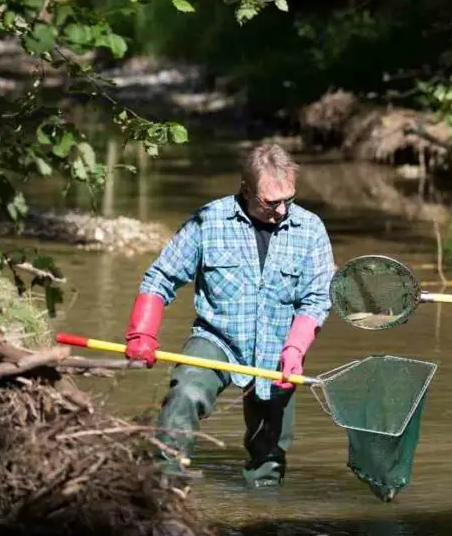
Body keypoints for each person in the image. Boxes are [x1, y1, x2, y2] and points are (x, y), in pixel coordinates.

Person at [123, 142, 335, 487]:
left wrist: (295, 349)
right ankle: (164, 492)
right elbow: (160, 277)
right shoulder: (208, 221)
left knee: (269, 454)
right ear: (246, 190)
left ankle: (262, 521)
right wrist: (142, 333)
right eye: (271, 202)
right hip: (216, 339)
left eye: (289, 200)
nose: (282, 210)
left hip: (279, 349)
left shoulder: (310, 230)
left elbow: (316, 299)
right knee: (185, 395)